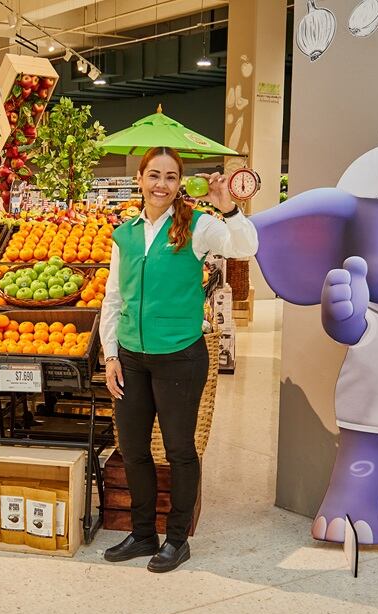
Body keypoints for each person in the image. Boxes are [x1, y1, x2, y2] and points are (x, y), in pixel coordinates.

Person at [100, 147, 259, 572]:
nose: (162, 185)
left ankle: (176, 539)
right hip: (131, 357)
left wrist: (229, 208)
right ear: (140, 178)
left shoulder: (199, 225)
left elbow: (245, 248)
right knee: (132, 449)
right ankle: (142, 533)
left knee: (178, 449)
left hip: (179, 358)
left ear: (180, 183)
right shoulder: (126, 233)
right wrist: (110, 354)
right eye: (154, 175)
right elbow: (114, 296)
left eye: (171, 177)